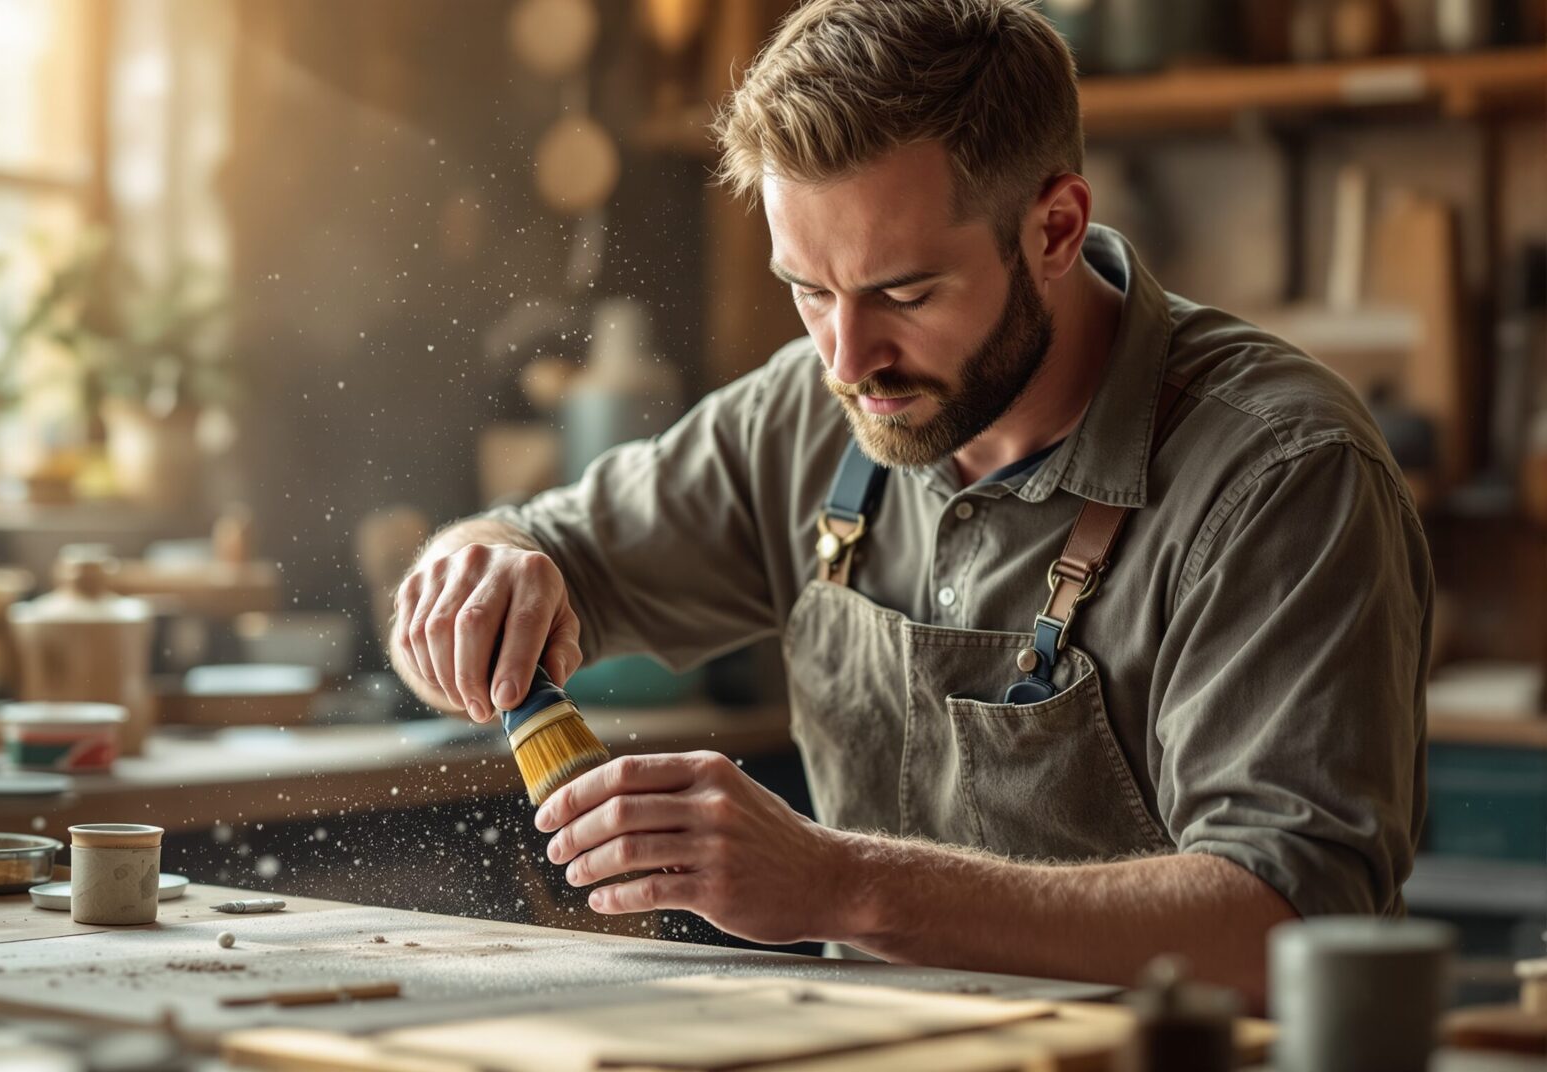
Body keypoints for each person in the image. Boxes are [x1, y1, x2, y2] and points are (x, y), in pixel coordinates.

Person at [387, 0, 1429, 1003]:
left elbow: (1285, 921)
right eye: (807, 288)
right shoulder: (808, 411)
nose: (847, 358)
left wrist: (841, 885)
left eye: (906, 292)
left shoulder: (1281, 475)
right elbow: (539, 551)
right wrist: (476, 568)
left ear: (1056, 227)